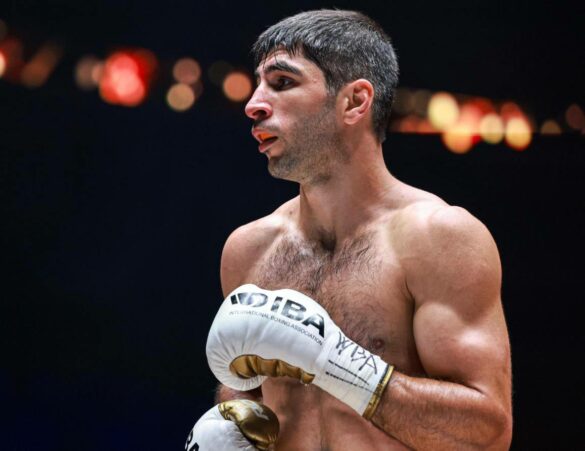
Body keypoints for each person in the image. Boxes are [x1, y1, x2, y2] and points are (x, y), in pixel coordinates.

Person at [186, 9, 512, 451]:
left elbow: (488, 435)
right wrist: (229, 425)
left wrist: (337, 364)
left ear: (355, 101)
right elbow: (246, 397)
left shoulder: (437, 237)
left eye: (282, 82)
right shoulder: (248, 250)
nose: (254, 104)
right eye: (258, 83)